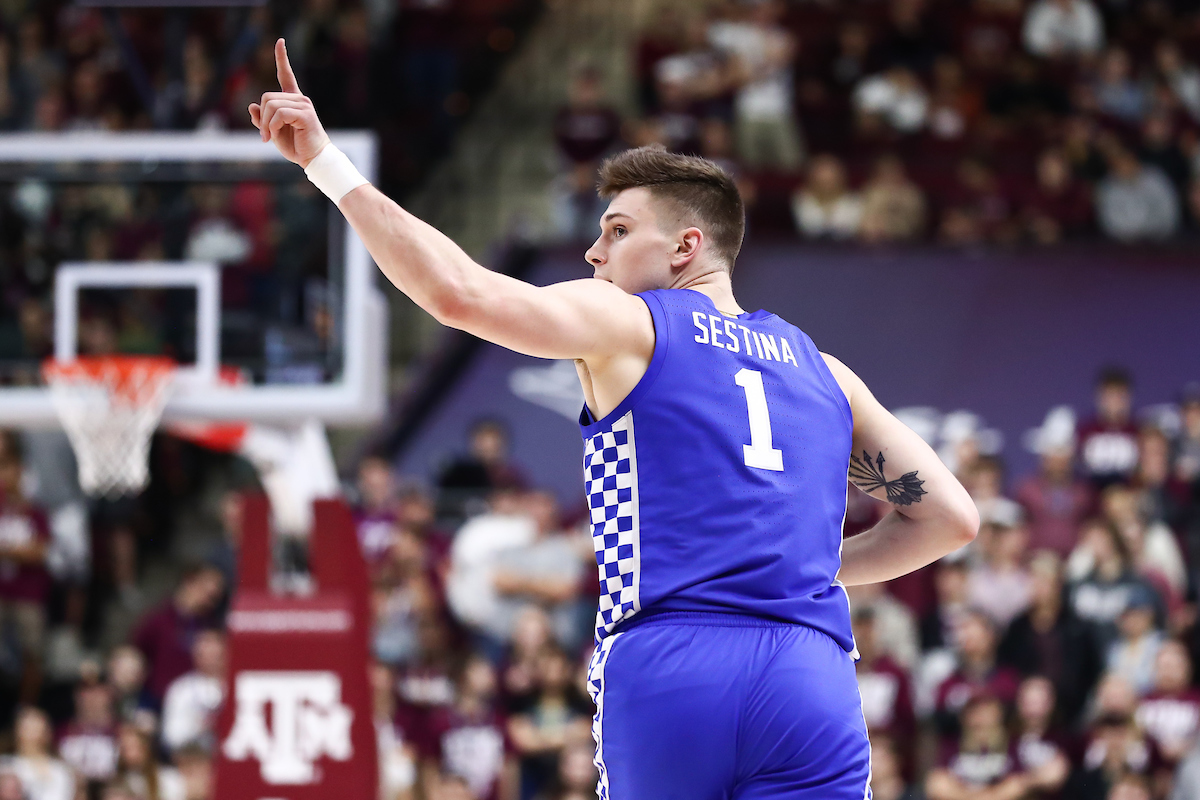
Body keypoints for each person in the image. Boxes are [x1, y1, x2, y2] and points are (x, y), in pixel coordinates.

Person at [250, 39, 979, 796]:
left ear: (686, 247)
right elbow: (950, 519)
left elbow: (458, 294)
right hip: (811, 671)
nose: (595, 252)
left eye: (619, 230)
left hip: (674, 659)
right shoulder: (827, 373)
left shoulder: (632, 322)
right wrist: (813, 569)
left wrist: (325, 167)